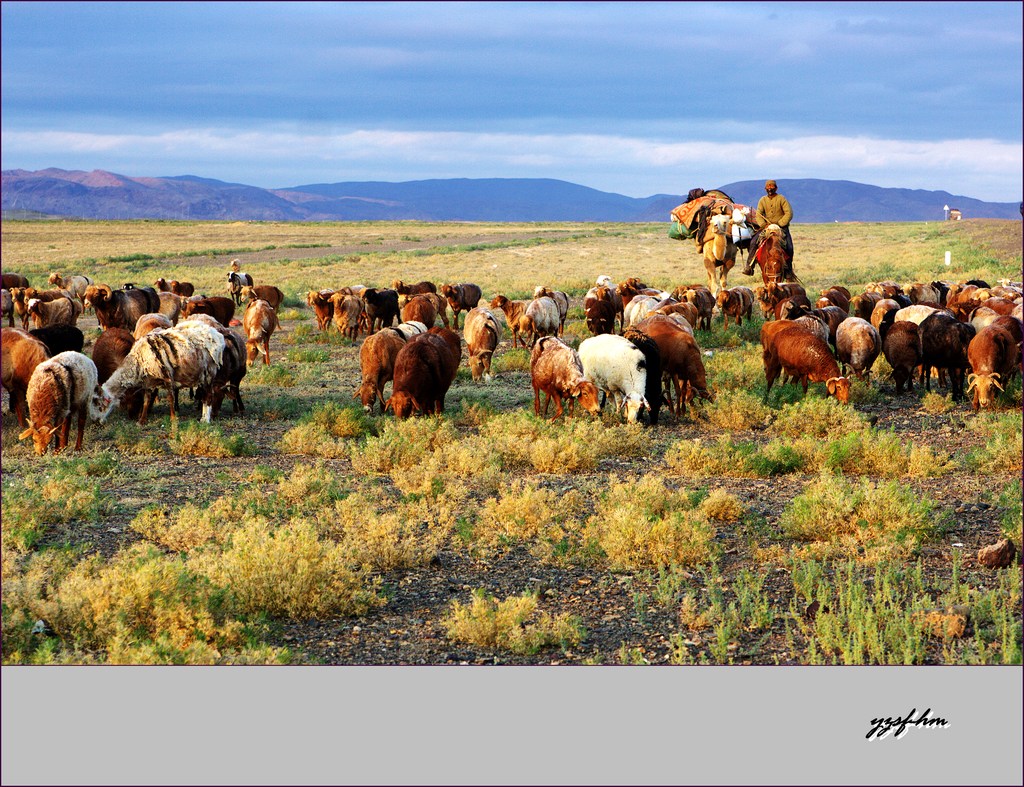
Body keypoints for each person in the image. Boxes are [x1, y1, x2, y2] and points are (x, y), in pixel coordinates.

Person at [742, 180, 794, 277]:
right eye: (768, 187)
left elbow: (789, 213)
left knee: (789, 247)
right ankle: (749, 266)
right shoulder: (762, 200)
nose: (770, 189)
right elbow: (759, 215)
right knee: (753, 242)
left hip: (781, 227)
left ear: (776, 188)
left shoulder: (781, 199)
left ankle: (788, 270)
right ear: (765, 189)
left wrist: (780, 223)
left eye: (772, 187)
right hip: (766, 227)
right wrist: (763, 225)